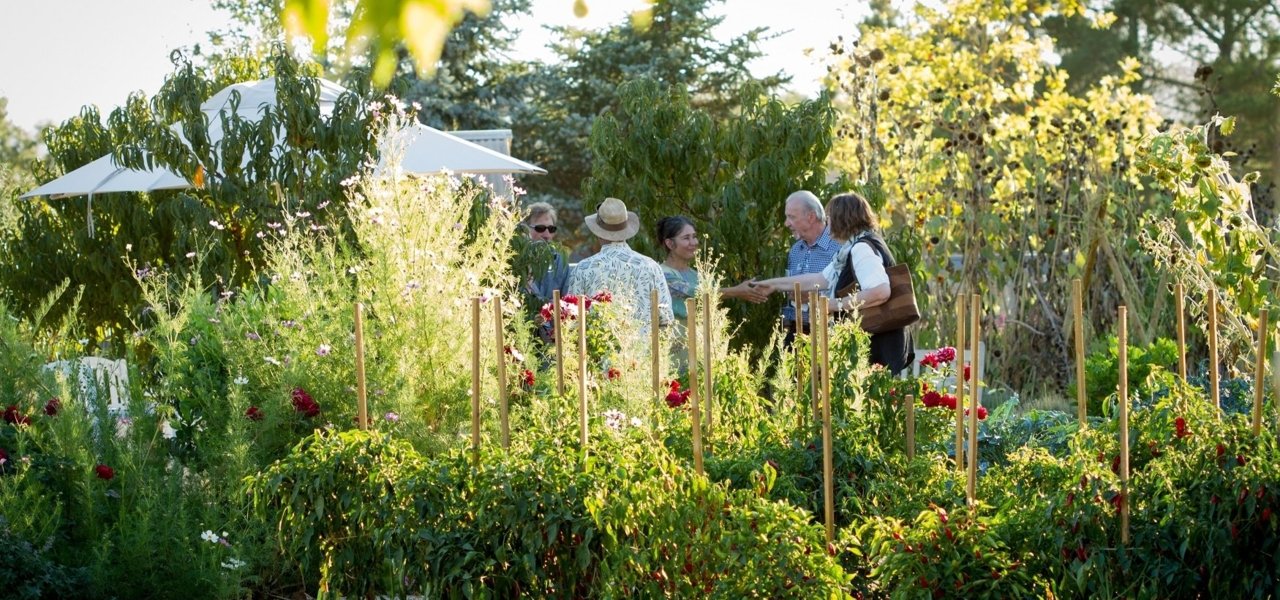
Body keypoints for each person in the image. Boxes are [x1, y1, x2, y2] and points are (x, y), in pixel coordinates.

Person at [752, 192, 912, 375]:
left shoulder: (862, 249)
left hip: (880, 342)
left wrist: (833, 305)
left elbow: (881, 291)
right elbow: (819, 279)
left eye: (829, 218)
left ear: (842, 219)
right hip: (877, 340)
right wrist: (772, 284)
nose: (827, 224)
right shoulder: (851, 248)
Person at [567, 197, 674, 330]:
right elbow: (666, 318)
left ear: (597, 232)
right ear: (626, 229)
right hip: (645, 349)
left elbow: (571, 320)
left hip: (597, 349)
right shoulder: (651, 266)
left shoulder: (583, 269)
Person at [655, 215, 771, 320]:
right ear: (669, 243)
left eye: (694, 236)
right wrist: (736, 291)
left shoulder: (697, 274)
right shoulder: (662, 274)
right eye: (686, 238)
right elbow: (694, 292)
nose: (694, 242)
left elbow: (713, 300)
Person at [777, 190, 841, 346]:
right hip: (795, 332)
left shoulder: (839, 246)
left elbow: (852, 294)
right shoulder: (795, 250)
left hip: (829, 335)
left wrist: (815, 298)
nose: (786, 223)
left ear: (811, 217)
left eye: (791, 217)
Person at [522, 201, 571, 303]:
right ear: (524, 229)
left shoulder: (559, 260)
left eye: (551, 229)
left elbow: (568, 300)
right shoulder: (515, 259)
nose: (547, 234)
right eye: (540, 228)